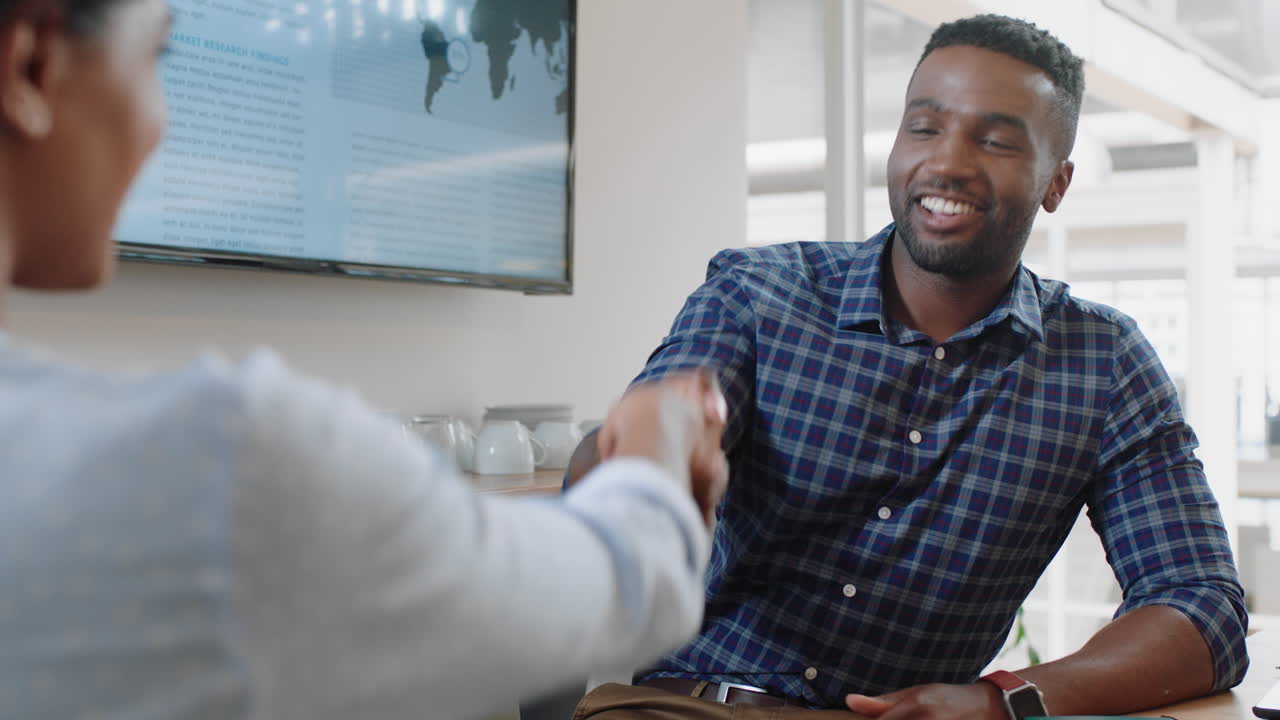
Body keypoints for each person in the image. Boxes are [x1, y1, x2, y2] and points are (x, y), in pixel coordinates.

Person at [0, 0, 732, 718]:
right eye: (158, 55)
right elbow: (619, 589)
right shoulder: (221, 455)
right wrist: (655, 451)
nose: (161, 125)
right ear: (29, 66)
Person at [567, 13, 1249, 720]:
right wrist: (644, 449)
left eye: (995, 141)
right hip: (693, 706)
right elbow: (612, 473)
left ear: (1057, 182)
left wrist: (1001, 702)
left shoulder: (1104, 364)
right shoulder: (758, 294)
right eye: (924, 128)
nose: (947, 161)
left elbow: (1201, 609)